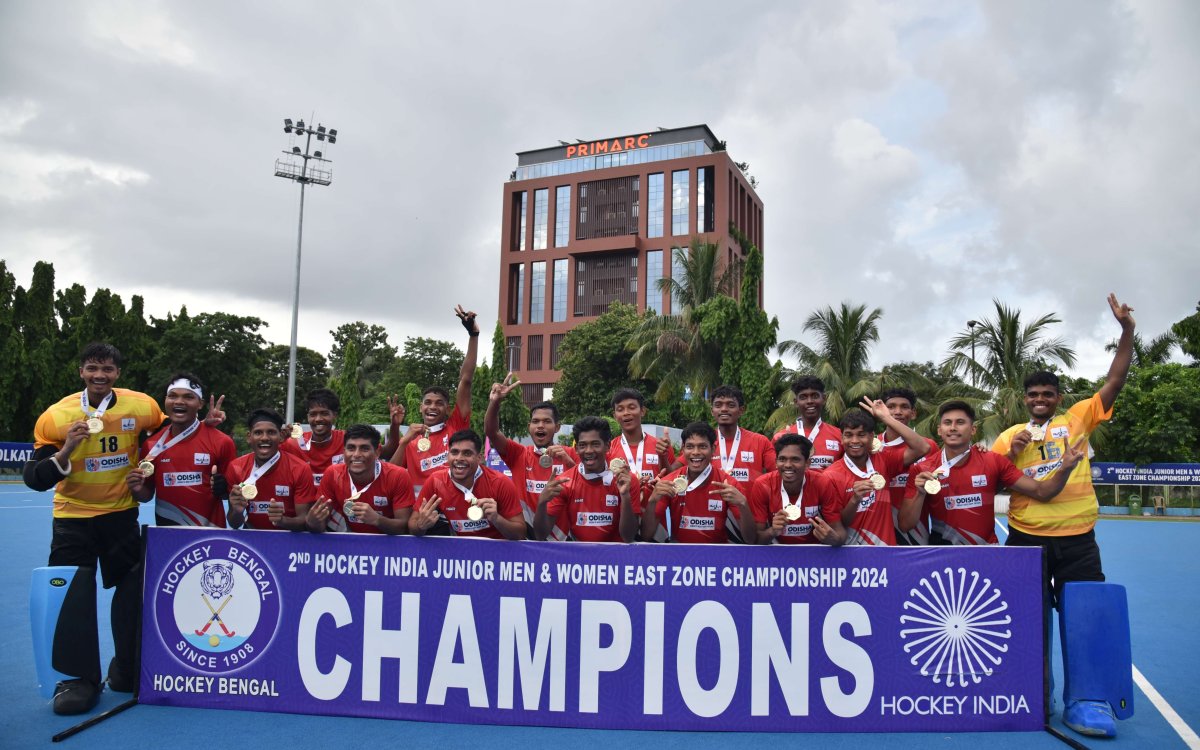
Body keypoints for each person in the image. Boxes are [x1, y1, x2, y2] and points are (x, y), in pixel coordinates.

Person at [990, 294, 1136, 738]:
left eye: (1047, 393)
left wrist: (1127, 331)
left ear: (1058, 397)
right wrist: (1011, 455)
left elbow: (1115, 378)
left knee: (1084, 616)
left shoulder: (1078, 419)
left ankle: (1087, 700)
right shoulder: (1010, 436)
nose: (1039, 399)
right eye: (1033, 394)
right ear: (1024, 399)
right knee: (1027, 617)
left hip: (1077, 538)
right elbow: (992, 486)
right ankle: (1033, 691)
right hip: (1024, 538)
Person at [24, 343, 165, 713]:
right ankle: (77, 680)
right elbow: (35, 479)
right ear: (81, 372)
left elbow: (168, 433)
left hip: (120, 515)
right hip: (72, 518)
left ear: (118, 373)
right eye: (92, 368)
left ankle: (126, 669)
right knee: (74, 598)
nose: (99, 375)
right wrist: (67, 448)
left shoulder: (143, 406)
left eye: (107, 369)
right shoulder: (56, 416)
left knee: (132, 590)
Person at [900, 400, 1085, 545]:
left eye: (960, 422)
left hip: (987, 555)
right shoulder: (922, 469)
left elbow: (1041, 492)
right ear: (940, 430)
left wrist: (1065, 469)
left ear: (973, 430)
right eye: (947, 423)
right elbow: (905, 525)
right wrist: (920, 492)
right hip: (941, 552)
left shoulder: (993, 461)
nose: (953, 427)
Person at [390, 305, 480, 495]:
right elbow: (392, 475)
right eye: (428, 403)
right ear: (421, 407)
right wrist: (404, 442)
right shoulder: (411, 439)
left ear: (448, 410)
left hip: (453, 506)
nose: (433, 407)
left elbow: (465, 380)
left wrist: (473, 336)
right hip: (421, 513)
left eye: (439, 403)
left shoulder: (456, 427)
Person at [128, 373, 236, 527]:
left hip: (210, 537)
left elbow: (232, 495)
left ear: (200, 404)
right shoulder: (152, 445)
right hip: (169, 538)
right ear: (165, 400)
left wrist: (223, 488)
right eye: (172, 396)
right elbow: (146, 495)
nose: (179, 401)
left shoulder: (222, 442)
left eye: (188, 397)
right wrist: (137, 489)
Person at [824, 399, 931, 546]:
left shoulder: (883, 460)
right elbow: (837, 525)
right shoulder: (830, 476)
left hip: (885, 553)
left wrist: (887, 418)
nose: (854, 440)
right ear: (842, 438)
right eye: (848, 435)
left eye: (861, 434)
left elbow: (922, 448)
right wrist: (855, 500)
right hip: (851, 555)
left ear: (871, 436)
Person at [485, 373, 576, 538]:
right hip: (527, 538)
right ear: (529, 426)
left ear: (557, 427)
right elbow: (492, 432)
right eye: (535, 421)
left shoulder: (570, 454)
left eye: (547, 421)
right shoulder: (518, 454)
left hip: (564, 541)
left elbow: (586, 489)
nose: (540, 426)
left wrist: (570, 463)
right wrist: (495, 402)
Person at [641, 422, 756, 544]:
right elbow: (645, 536)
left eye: (702, 446)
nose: (695, 452)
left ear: (713, 449)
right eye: (690, 446)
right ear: (683, 449)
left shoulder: (728, 484)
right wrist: (652, 501)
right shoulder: (669, 482)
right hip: (679, 557)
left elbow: (751, 539)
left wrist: (743, 505)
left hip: (718, 558)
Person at [534, 417, 640, 542]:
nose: (589, 451)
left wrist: (625, 496)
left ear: (607, 446)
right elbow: (540, 535)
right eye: (583, 445)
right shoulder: (564, 482)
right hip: (581, 559)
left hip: (616, 558)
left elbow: (628, 537)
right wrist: (541, 503)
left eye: (595, 444)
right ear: (577, 449)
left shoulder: (626, 480)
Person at [408, 429, 524, 539]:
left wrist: (496, 519)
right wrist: (420, 526)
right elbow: (412, 524)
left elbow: (520, 533)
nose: (459, 458)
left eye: (467, 453)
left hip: (499, 552)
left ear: (479, 458)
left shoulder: (500, 482)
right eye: (454, 452)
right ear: (448, 456)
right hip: (462, 554)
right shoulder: (436, 481)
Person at [305, 424, 413, 534]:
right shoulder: (333, 474)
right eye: (351, 448)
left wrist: (377, 520)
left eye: (364, 449)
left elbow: (405, 527)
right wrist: (313, 522)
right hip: (349, 541)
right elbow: (319, 526)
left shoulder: (398, 475)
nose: (356, 454)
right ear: (344, 452)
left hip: (388, 544)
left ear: (377, 452)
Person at [226, 409, 316, 531]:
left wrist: (282, 521)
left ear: (281, 436)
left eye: (271, 432)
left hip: (290, 539)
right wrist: (236, 511)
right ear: (249, 437)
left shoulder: (300, 469)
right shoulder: (236, 468)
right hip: (253, 539)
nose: (264, 438)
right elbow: (234, 524)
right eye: (258, 433)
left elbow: (305, 520)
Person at [748, 433, 846, 545]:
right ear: (776, 462)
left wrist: (834, 539)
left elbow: (840, 533)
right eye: (782, 459)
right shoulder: (763, 485)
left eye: (795, 459)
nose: (788, 465)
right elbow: (756, 540)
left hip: (813, 551)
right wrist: (772, 531)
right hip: (776, 551)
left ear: (807, 463)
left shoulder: (822, 483)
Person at [709, 385, 775, 543]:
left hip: (749, 517)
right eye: (718, 405)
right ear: (712, 411)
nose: (724, 409)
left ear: (741, 410)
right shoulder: (702, 441)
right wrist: (663, 455)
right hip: (711, 516)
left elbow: (777, 476)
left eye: (730, 405)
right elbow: (678, 472)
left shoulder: (760, 441)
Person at [875, 387, 939, 545]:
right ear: (881, 410)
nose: (897, 412)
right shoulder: (872, 446)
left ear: (913, 413)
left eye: (904, 407)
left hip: (916, 533)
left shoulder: (929, 446)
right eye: (891, 407)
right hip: (877, 532)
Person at [608, 388, 676, 511]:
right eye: (620, 409)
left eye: (632, 407)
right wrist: (632, 485)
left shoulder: (661, 446)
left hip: (655, 519)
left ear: (642, 411)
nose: (626, 413)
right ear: (615, 416)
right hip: (621, 518)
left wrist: (662, 457)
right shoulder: (609, 449)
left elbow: (672, 482)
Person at [280, 388, 346, 487]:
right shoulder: (292, 443)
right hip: (302, 501)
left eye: (324, 413)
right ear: (308, 416)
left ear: (334, 415)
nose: (318, 419)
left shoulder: (347, 440)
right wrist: (277, 440)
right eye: (313, 414)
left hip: (336, 501)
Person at [773, 376, 842, 470]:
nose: (809, 401)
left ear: (824, 399)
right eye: (803, 397)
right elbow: (774, 472)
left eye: (815, 396)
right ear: (796, 402)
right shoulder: (782, 437)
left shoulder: (839, 435)